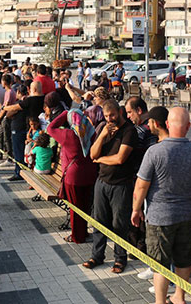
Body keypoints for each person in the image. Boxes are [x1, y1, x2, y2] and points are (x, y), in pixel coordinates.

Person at [131, 107, 191, 304]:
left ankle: (160, 301)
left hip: (159, 216)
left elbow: (141, 186)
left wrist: (136, 209)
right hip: (186, 215)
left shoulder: (154, 152)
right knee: (184, 259)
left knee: (159, 263)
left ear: (167, 124)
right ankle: (180, 297)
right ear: (189, 126)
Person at [82, 99, 138, 273]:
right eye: (106, 116)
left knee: (119, 223)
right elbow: (92, 153)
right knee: (98, 220)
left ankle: (120, 258)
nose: (110, 119)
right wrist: (102, 135)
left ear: (120, 112)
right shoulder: (104, 129)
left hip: (121, 184)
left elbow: (120, 159)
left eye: (112, 115)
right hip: (102, 182)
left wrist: (100, 160)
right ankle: (97, 256)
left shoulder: (129, 131)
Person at [47, 108, 98, 244]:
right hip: (90, 174)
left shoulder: (69, 135)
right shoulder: (91, 133)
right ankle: (83, 232)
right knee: (85, 206)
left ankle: (77, 237)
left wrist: (65, 113)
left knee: (75, 208)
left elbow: (50, 128)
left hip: (73, 177)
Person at [125, 96, 158, 262]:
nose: (129, 116)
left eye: (130, 112)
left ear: (139, 110)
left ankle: (140, 248)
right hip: (143, 177)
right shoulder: (142, 127)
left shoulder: (143, 129)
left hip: (143, 178)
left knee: (140, 214)